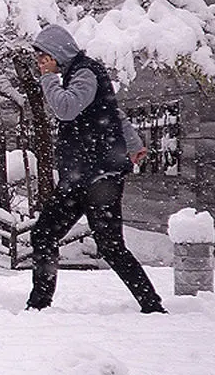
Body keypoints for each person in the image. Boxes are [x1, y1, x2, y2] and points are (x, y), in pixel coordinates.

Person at [26, 24, 167, 314]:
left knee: (107, 244)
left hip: (97, 175)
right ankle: (39, 304)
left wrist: (49, 78)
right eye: (38, 60)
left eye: (43, 58)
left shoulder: (84, 73)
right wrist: (133, 141)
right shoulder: (80, 73)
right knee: (47, 233)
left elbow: (66, 108)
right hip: (84, 174)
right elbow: (111, 111)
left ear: (56, 53)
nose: (40, 64)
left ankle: (152, 306)